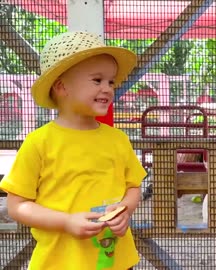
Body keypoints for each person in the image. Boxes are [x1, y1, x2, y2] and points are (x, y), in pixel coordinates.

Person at [0, 31, 147, 269]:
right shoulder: (39, 142)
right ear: (61, 86)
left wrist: (124, 210)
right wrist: (66, 221)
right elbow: (17, 205)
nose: (108, 88)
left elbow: (133, 187)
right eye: (97, 80)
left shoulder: (118, 139)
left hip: (116, 261)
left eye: (111, 82)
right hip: (61, 262)